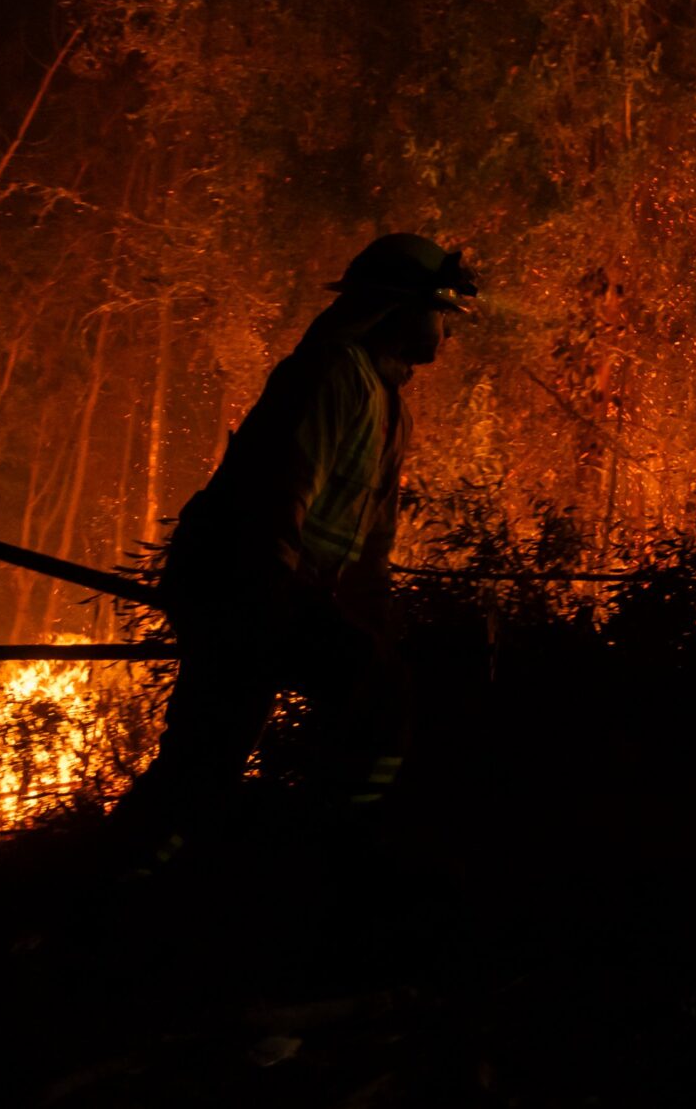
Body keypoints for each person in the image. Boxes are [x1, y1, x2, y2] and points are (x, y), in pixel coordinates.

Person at [117, 234, 476, 866]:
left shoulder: (388, 404)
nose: (449, 327)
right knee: (368, 689)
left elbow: (371, 542)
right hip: (241, 581)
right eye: (441, 309)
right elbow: (278, 495)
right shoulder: (331, 373)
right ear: (396, 306)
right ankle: (335, 853)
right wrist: (278, 603)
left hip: (274, 587)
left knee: (211, 754)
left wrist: (372, 620)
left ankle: (145, 871)